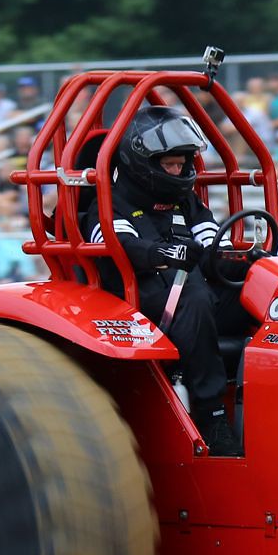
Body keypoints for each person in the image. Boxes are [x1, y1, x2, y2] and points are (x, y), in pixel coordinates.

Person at [94, 107, 236, 454]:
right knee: (193, 293)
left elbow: (215, 242)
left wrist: (241, 261)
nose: (177, 171)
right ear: (142, 164)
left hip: (189, 294)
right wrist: (167, 254)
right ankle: (212, 415)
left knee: (258, 290)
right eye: (169, 165)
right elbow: (122, 247)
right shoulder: (109, 203)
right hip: (138, 304)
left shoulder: (185, 201)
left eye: (182, 164)